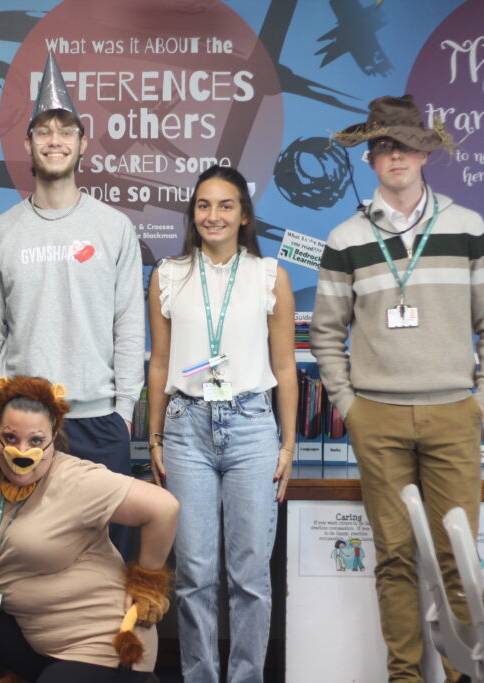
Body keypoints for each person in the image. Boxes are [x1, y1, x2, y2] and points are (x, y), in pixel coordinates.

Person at [311, 94, 484, 683]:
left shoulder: (466, 226)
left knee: (457, 561)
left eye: (404, 144)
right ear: (371, 158)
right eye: (382, 145)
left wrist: (482, 399)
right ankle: (406, 676)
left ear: (425, 153)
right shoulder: (345, 237)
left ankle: (459, 675)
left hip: (455, 415)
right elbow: (326, 332)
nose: (394, 154)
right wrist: (351, 408)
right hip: (378, 419)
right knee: (395, 559)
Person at [0, 52, 145, 557]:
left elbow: (129, 325)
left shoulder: (114, 228)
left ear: (82, 142)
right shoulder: (0, 233)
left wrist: (123, 411)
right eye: (43, 131)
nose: (54, 140)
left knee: (110, 556)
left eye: (65, 130)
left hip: (99, 420)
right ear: (28, 143)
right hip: (23, 424)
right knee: (25, 556)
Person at [0, 375, 179, 682]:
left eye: (35, 440)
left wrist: (146, 583)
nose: (21, 450)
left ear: (53, 436)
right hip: (37, 639)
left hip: (99, 644)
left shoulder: (77, 478)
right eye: (11, 438)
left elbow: (164, 508)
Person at [147, 166, 297, 683]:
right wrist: (156, 433)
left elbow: (283, 368)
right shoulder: (168, 274)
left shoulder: (268, 275)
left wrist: (288, 442)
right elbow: (161, 363)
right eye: (204, 205)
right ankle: (200, 676)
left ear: (244, 215)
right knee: (193, 574)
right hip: (186, 425)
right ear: (193, 214)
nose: (213, 215)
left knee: (250, 576)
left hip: (253, 425)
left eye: (226, 205)